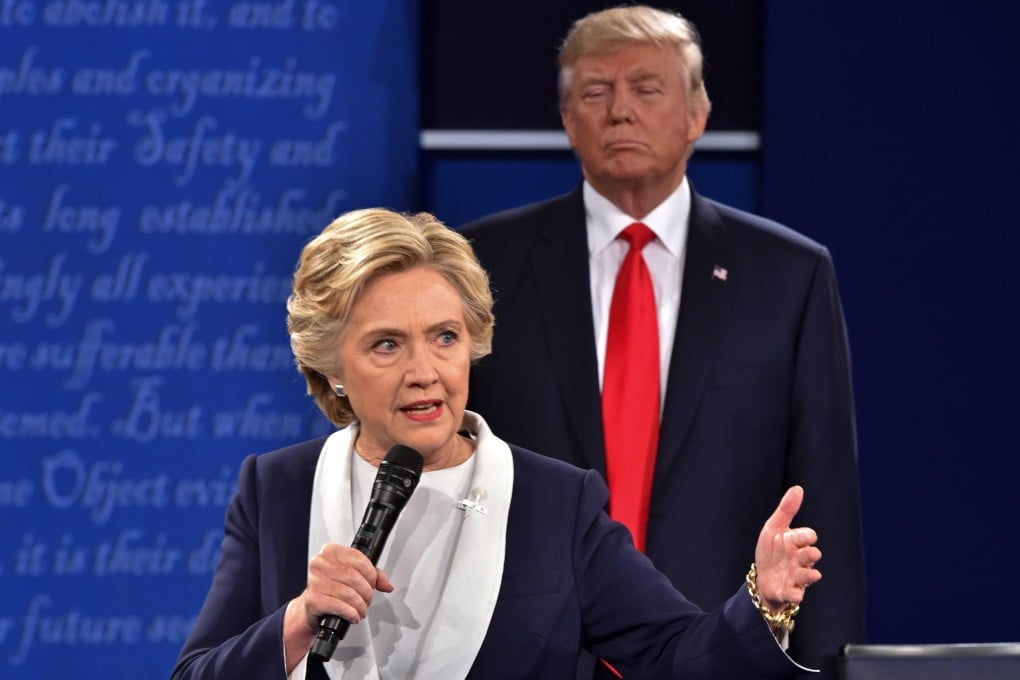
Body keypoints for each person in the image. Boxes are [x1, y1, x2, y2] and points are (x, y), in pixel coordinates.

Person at [171, 207, 824, 680]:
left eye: (445, 337)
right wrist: (297, 621)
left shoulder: (554, 503)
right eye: (387, 344)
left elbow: (675, 657)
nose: (424, 371)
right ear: (331, 368)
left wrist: (760, 603)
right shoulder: (277, 490)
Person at [459, 6, 864, 678]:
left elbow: (824, 508)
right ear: (567, 119)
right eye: (596, 92)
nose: (621, 111)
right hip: (528, 656)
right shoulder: (482, 267)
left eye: (647, 89)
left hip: (724, 651)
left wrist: (822, 667)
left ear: (697, 113)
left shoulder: (789, 277)